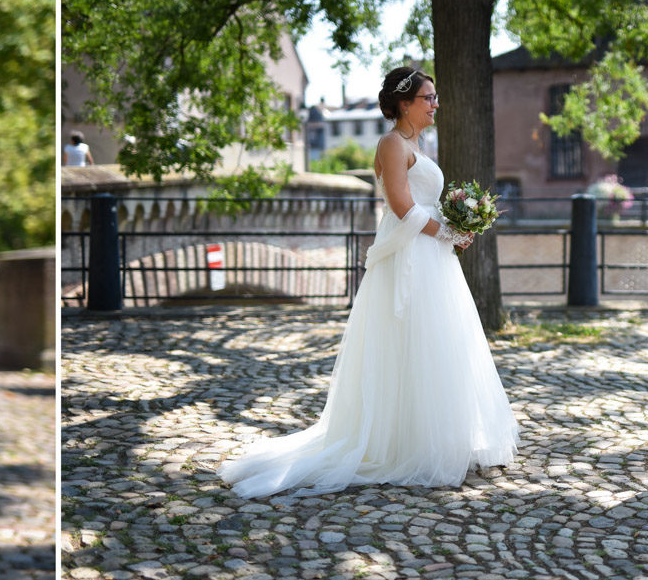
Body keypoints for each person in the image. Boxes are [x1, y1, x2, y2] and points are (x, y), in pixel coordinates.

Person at [219, 67, 518, 497]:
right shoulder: (391, 143)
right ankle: (402, 444)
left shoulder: (417, 143)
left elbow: (423, 204)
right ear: (405, 103)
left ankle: (436, 436)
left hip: (432, 257)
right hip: (410, 256)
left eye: (435, 98)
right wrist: (449, 232)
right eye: (428, 98)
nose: (435, 105)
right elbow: (401, 206)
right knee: (411, 341)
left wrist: (454, 226)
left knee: (438, 343)